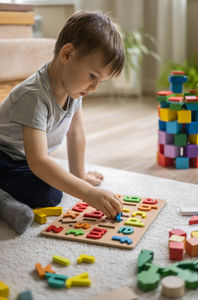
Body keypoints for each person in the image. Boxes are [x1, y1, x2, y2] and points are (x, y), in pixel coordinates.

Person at [0, 10, 125, 234]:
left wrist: (80, 176)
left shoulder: (73, 89)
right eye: (93, 76)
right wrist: (87, 193)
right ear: (67, 54)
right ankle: (3, 201)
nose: (94, 87)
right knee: (50, 191)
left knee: (49, 191)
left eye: (100, 81)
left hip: (20, 161)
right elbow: (38, 161)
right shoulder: (33, 95)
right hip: (3, 155)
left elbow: (76, 134)